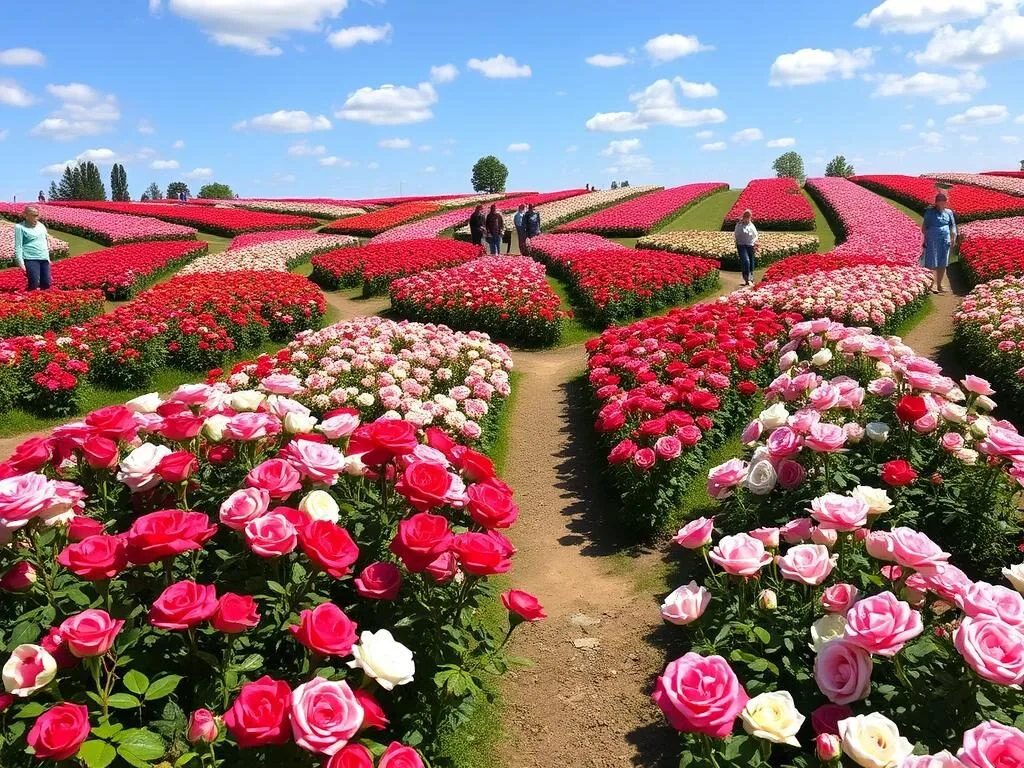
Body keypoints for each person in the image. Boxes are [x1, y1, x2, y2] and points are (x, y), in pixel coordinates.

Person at [921, 191, 957, 294]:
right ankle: (932, 285)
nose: (942, 202)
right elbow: (924, 226)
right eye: (940, 200)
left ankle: (940, 285)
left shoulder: (949, 212)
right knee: (932, 262)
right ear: (936, 202)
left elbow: (952, 225)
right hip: (932, 239)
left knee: (943, 262)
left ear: (946, 202)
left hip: (945, 240)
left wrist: (953, 236)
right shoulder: (930, 212)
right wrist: (927, 237)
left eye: (944, 200)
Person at [14, 206, 52, 291]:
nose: (36, 218)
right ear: (26, 215)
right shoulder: (19, 227)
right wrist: (21, 263)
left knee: (46, 284)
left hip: (43, 257)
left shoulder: (41, 226)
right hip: (30, 258)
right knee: (34, 283)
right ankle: (30, 300)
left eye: (37, 215)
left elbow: (45, 241)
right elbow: (18, 246)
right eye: (34, 215)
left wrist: (48, 258)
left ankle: (43, 301)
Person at [734, 209, 759, 286]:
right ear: (743, 216)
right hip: (741, 245)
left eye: (748, 216)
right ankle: (747, 278)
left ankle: (749, 277)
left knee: (751, 262)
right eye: (745, 215)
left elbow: (756, 235)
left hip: (750, 245)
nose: (747, 217)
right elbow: (736, 234)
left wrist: (755, 242)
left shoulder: (751, 225)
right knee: (746, 261)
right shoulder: (739, 224)